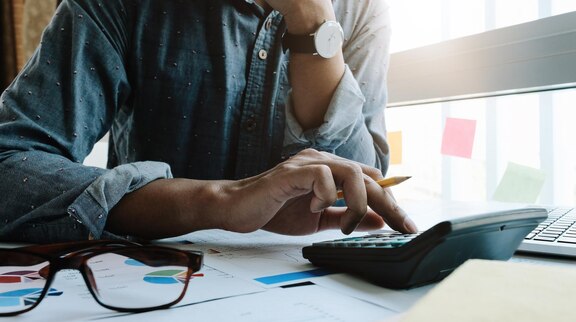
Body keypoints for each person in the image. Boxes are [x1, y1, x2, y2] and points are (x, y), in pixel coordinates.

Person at [0, 0, 417, 243]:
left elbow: (359, 198)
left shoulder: (360, 10)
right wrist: (217, 200)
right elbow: (8, 167)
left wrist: (313, 24)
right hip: (149, 289)